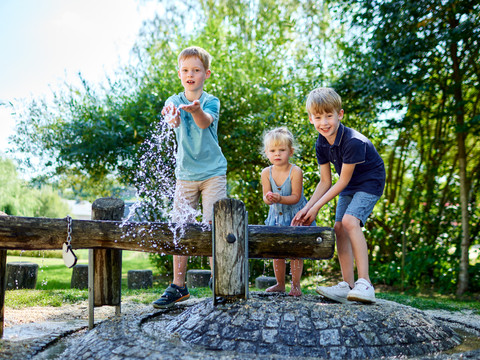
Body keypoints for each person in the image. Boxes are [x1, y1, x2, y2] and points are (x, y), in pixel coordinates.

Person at [292, 87, 385, 304]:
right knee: (339, 228)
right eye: (318, 117)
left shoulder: (353, 141)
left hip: (370, 182)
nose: (324, 122)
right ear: (310, 119)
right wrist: (306, 208)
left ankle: (365, 283)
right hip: (350, 184)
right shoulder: (321, 142)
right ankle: (348, 285)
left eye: (328, 116)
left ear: (340, 114)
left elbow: (341, 181)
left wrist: (316, 208)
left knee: (350, 222)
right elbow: (325, 181)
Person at [152, 46, 227, 309]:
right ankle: (178, 285)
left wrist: (194, 110)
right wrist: (172, 116)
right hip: (185, 175)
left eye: (196, 70)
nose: (190, 75)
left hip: (212, 174)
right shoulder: (173, 100)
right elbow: (171, 119)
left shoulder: (210, 101)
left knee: (213, 226)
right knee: (179, 226)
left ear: (206, 74)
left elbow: (205, 122)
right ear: (179, 74)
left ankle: (221, 281)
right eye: (185, 70)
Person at [261, 127, 313, 297]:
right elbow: (265, 197)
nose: (277, 154)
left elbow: (296, 197)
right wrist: (269, 198)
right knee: (278, 252)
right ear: (266, 153)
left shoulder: (295, 171)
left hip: (294, 217)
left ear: (290, 152)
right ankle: (280, 284)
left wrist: (280, 198)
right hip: (275, 217)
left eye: (282, 150)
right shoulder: (266, 173)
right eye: (273, 150)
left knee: (295, 252)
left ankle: (296, 285)